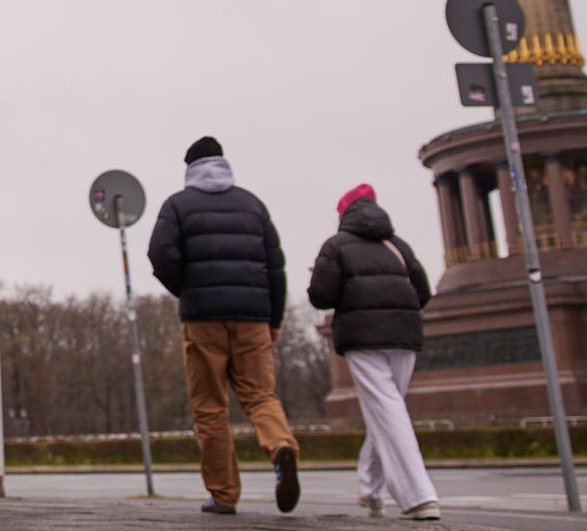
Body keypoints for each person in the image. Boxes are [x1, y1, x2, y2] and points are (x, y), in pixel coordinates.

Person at [148, 136, 300, 515]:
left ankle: (223, 494)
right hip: (253, 319)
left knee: (210, 406)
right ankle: (281, 445)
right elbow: (276, 267)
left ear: (190, 169)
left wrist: (187, 289)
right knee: (261, 395)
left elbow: (160, 253)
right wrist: (274, 319)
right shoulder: (253, 205)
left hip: (203, 320)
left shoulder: (177, 206)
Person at [307, 183, 442, 521]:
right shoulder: (399, 247)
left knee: (387, 409)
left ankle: (419, 497)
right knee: (387, 409)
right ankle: (370, 490)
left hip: (362, 339)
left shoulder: (335, 246)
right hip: (404, 336)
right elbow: (422, 292)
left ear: (344, 214)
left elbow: (321, 296)